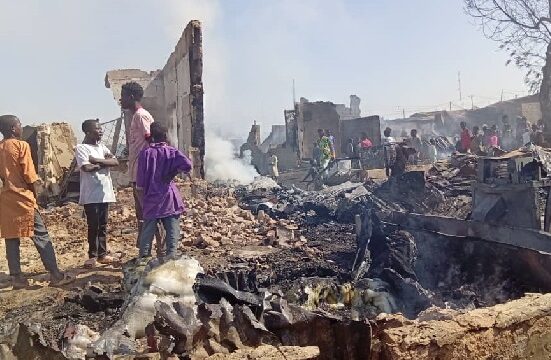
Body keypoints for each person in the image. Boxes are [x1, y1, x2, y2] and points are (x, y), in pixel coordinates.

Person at [0, 115, 73, 289]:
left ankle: (16, 278)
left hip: (6, 199)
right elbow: (30, 175)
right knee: (40, 235)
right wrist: (38, 196)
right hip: (23, 198)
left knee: (11, 238)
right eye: (18, 125)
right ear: (12, 128)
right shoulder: (21, 145)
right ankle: (56, 275)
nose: (21, 128)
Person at [120, 81, 165, 254]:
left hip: (144, 174)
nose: (121, 100)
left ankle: (162, 252)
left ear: (131, 97)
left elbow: (152, 141)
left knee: (151, 213)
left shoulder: (141, 116)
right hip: (136, 173)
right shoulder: (135, 117)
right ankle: (146, 251)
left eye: (123, 96)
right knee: (143, 214)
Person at [136, 122, 193, 258]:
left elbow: (140, 183)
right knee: (172, 227)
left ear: (152, 136)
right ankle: (171, 256)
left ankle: (143, 259)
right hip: (168, 196)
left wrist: (141, 200)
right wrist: (172, 172)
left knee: (148, 229)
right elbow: (187, 165)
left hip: (151, 196)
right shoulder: (171, 151)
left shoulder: (145, 154)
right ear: (166, 136)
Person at [75, 119, 119, 268]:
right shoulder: (82, 148)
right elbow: (86, 168)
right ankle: (92, 255)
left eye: (100, 129)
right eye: (97, 129)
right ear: (88, 132)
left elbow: (115, 162)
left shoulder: (101, 147)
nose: (100, 132)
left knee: (103, 225)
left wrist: (97, 161)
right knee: (93, 225)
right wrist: (103, 163)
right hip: (91, 194)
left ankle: (103, 254)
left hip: (104, 192)